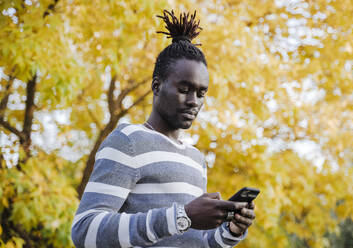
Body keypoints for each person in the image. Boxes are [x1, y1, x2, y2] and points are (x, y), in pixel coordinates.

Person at [71, 10, 256, 248]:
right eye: (184, 89)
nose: (194, 101)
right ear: (156, 86)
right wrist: (183, 216)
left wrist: (230, 231)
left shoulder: (196, 159)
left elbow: (192, 242)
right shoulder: (128, 141)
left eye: (201, 93)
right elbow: (85, 231)